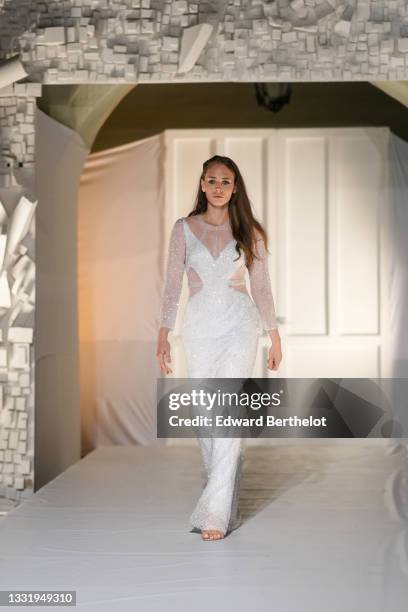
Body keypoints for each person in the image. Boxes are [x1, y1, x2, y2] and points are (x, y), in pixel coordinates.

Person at [156, 155, 282, 541]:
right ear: (201, 184)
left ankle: (214, 513)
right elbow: (172, 284)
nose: (218, 187)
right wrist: (162, 332)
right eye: (211, 180)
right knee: (206, 415)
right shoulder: (183, 229)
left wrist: (273, 335)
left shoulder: (249, 231)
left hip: (239, 328)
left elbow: (260, 287)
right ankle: (225, 500)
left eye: (225, 181)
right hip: (198, 328)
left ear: (235, 187)